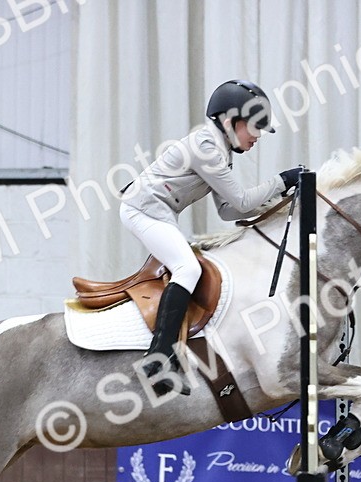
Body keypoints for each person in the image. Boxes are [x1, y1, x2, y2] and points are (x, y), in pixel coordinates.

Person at [119, 79, 303, 396]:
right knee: (188, 269)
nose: (257, 136)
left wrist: (278, 201)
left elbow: (228, 211)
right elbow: (241, 202)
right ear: (230, 121)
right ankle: (157, 361)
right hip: (142, 210)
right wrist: (282, 180)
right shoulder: (205, 147)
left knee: (189, 267)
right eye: (254, 127)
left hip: (157, 211)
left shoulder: (219, 150)